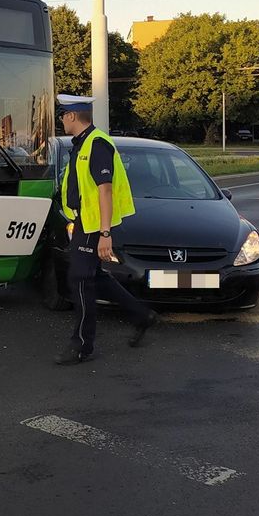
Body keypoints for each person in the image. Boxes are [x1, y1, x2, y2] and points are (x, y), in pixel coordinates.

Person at [53, 94, 158, 365]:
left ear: (72, 116)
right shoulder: (83, 143)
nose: (62, 120)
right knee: (95, 276)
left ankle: (81, 345)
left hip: (94, 225)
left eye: (63, 116)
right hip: (84, 222)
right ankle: (142, 316)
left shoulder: (97, 144)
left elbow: (105, 190)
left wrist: (105, 234)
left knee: (80, 280)